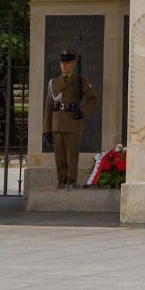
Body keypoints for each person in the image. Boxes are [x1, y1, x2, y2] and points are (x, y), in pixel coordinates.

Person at [44, 51, 98, 189]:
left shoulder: (80, 81)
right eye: (62, 63)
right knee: (59, 156)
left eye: (67, 63)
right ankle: (61, 180)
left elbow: (93, 100)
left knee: (72, 155)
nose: (64, 66)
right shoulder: (53, 82)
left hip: (73, 123)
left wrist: (82, 112)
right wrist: (46, 129)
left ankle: (71, 180)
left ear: (73, 64)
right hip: (57, 123)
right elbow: (49, 106)